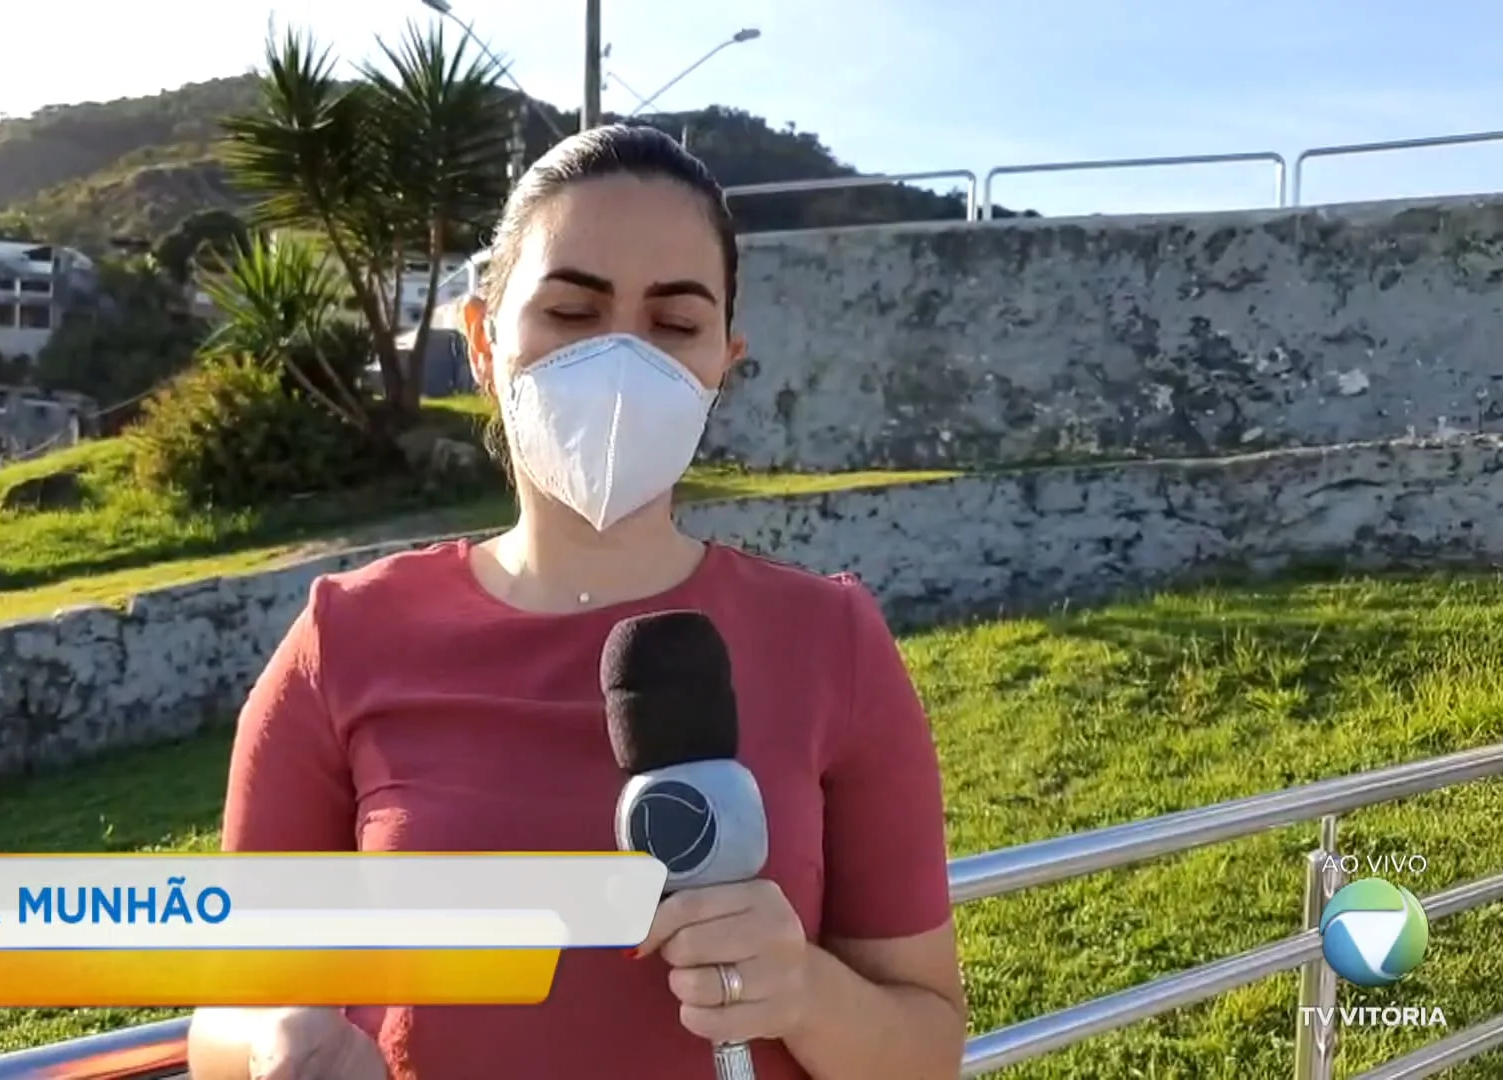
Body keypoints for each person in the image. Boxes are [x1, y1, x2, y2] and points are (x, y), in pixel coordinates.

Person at [187, 124, 967, 1080]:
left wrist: (801, 989)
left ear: (725, 358)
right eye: (571, 310)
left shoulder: (830, 642)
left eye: (675, 325)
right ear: (483, 340)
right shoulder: (343, 643)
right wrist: (274, 1049)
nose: (621, 362)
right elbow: (225, 1016)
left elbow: (926, 1042)